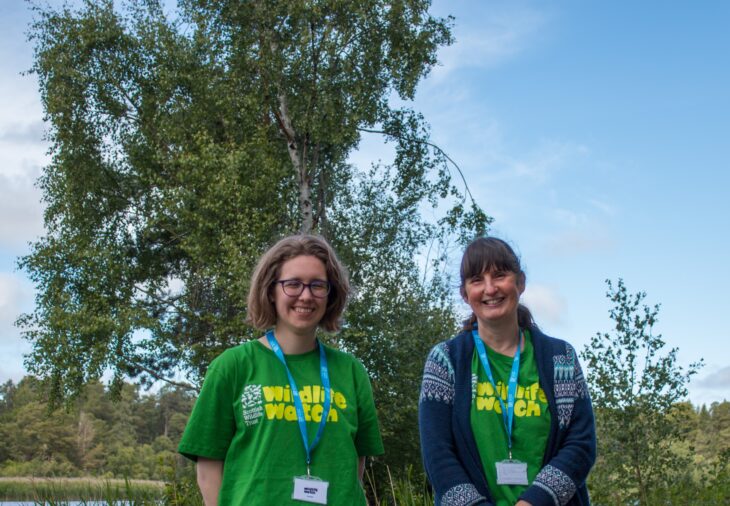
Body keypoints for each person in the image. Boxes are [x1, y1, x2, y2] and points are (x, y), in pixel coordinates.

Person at [178, 234, 384, 505]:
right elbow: (208, 471)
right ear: (271, 290)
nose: (306, 295)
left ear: (330, 294)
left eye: (318, 285)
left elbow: (355, 466)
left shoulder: (351, 371)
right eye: (293, 284)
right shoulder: (232, 367)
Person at [418, 237, 595, 506]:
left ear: (520, 283)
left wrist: (534, 502)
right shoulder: (446, 361)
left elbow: (581, 444)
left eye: (499, 275)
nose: (490, 288)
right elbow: (437, 455)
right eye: (477, 280)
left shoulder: (562, 358)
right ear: (465, 294)